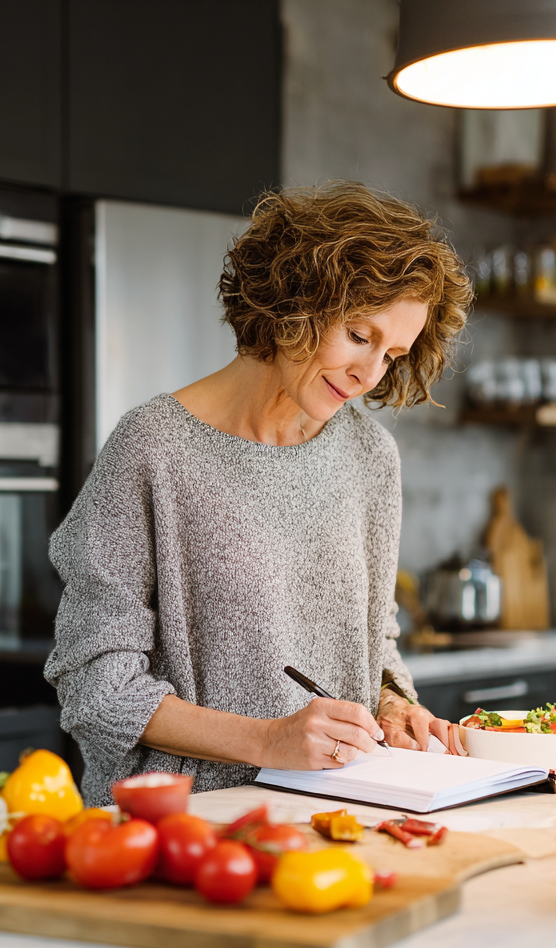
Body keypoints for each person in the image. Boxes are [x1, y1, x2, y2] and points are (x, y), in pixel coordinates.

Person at [45, 181, 473, 805]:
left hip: (335, 814)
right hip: (184, 827)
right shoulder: (154, 449)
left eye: (395, 353)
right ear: (293, 303)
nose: (371, 373)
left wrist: (394, 704)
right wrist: (268, 741)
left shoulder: (370, 456)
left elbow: (372, 642)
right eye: (359, 335)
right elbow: (96, 684)